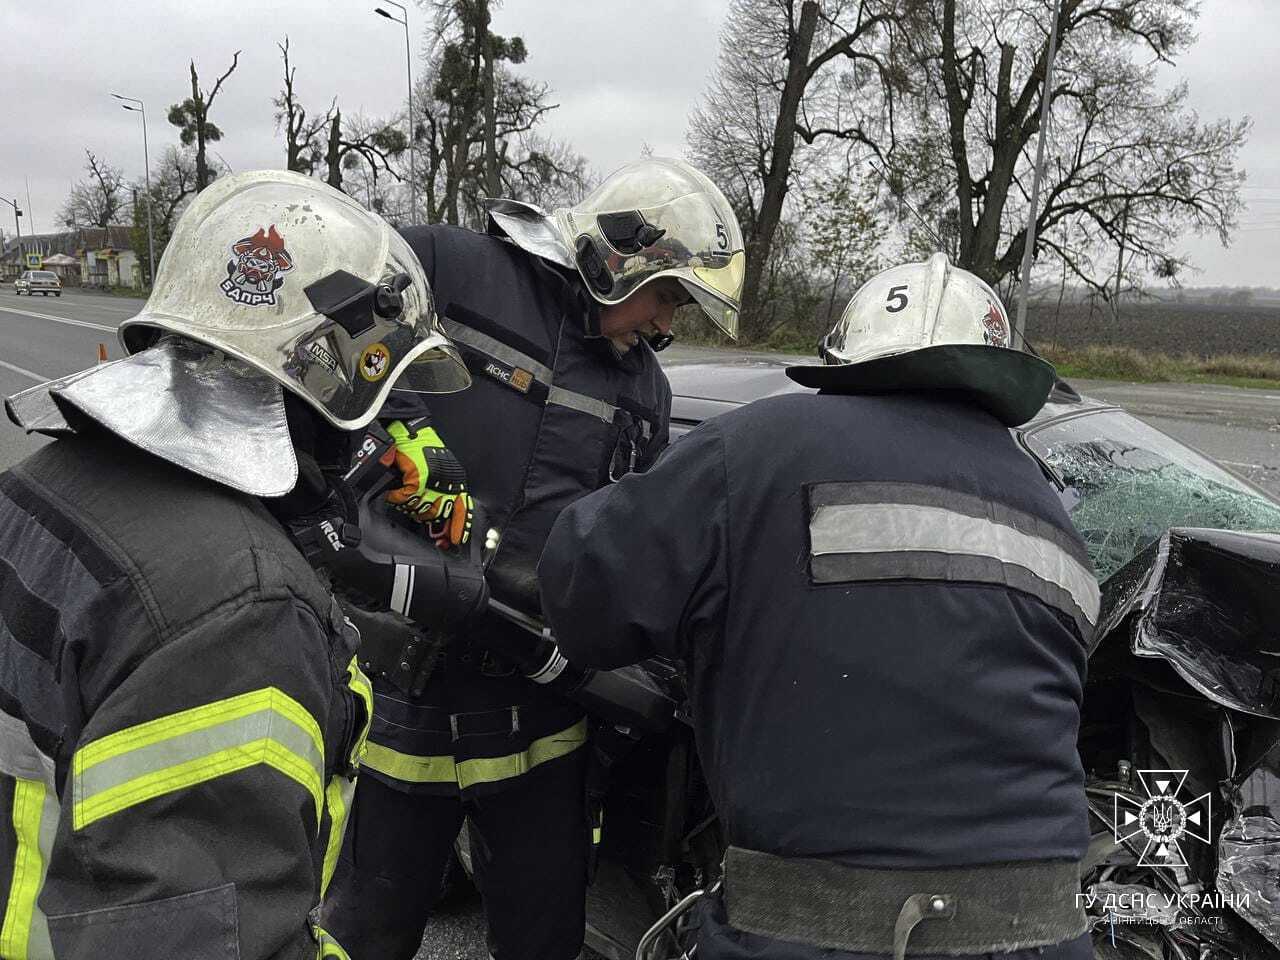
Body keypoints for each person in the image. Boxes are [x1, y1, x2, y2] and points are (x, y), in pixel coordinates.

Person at [538, 254, 1101, 960]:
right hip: (1049, 938)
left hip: (817, 938)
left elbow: (578, 594)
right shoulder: (1061, 529)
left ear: (843, 361)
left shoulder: (757, 448)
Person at [0, 169, 469, 960]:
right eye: (378, 398)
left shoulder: (35, 491)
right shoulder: (238, 609)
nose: (382, 434)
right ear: (322, 380)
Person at [322, 157, 746, 960]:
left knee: (544, 938)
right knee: (364, 933)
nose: (664, 327)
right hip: (408, 688)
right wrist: (421, 473)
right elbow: (335, 334)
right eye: (667, 299)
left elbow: (633, 535)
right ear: (622, 257)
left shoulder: (647, 393)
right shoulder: (453, 267)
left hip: (541, 718)